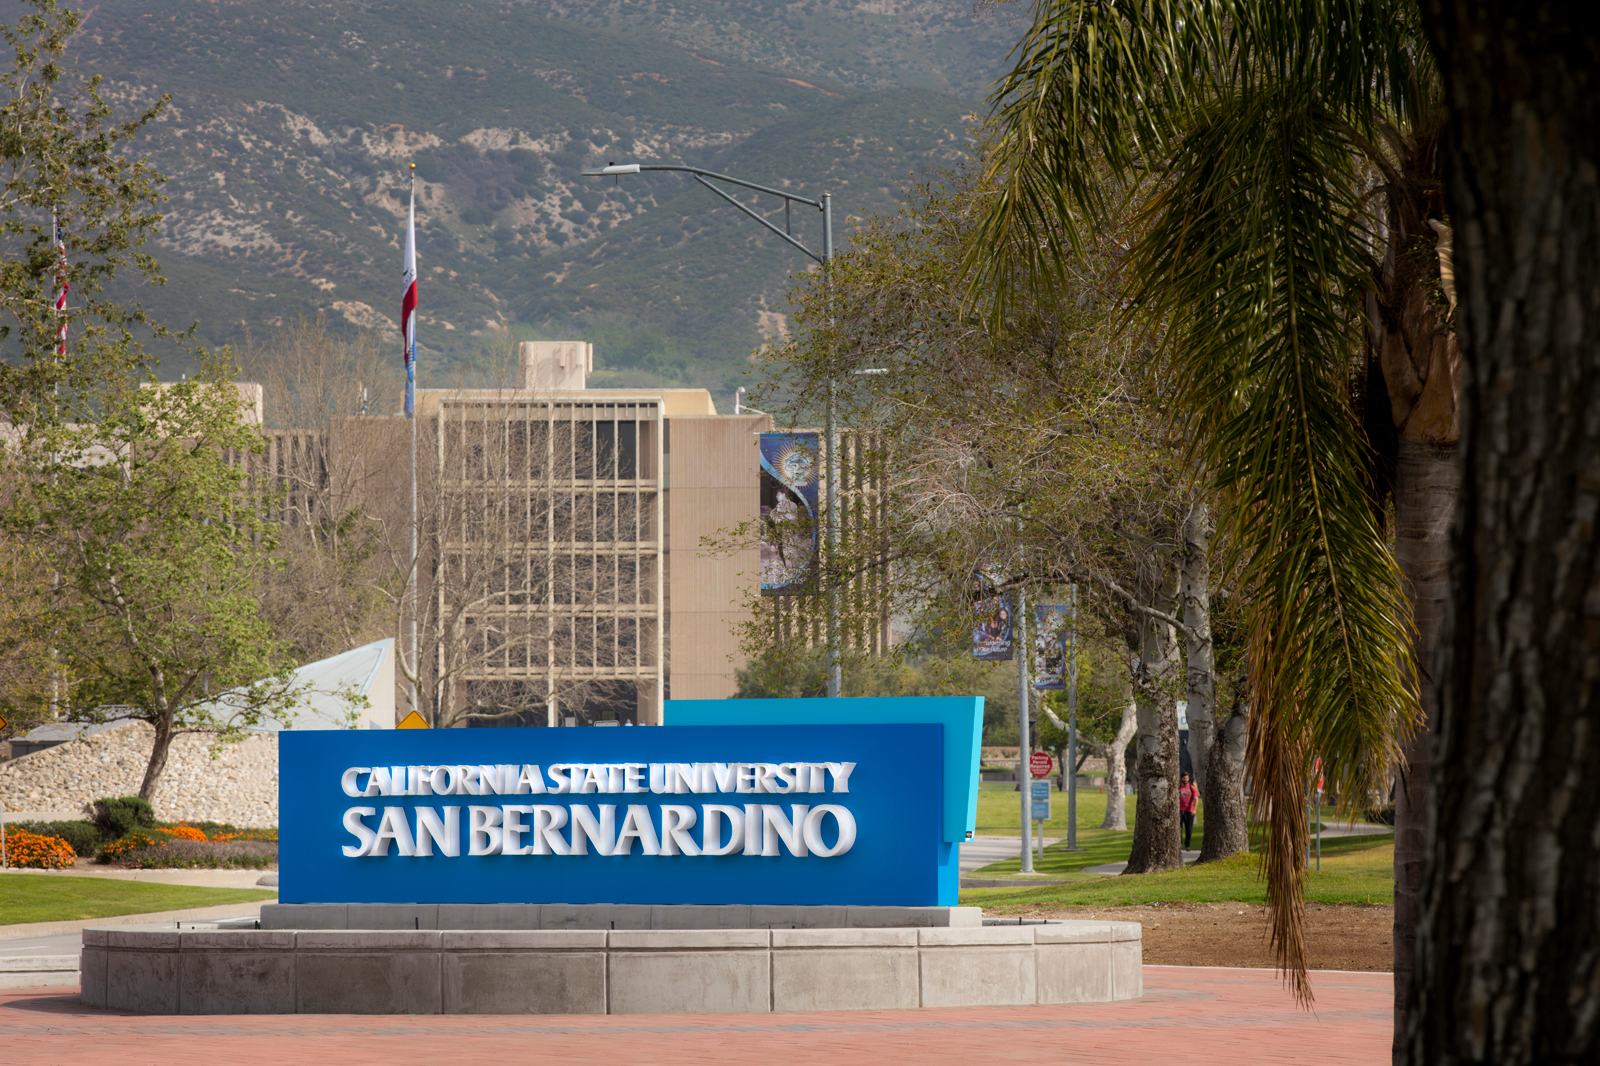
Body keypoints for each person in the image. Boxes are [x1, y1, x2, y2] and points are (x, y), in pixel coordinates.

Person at [1178, 771, 1199, 850]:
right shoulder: (1178, 788)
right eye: (1184, 778)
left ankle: (1187, 845)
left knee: (1189, 828)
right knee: (1179, 828)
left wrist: (1194, 809)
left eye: (1186, 778)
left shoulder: (1192, 788)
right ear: (1181, 778)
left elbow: (1196, 799)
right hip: (1180, 810)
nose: (1185, 779)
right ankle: (1179, 845)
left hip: (1189, 810)